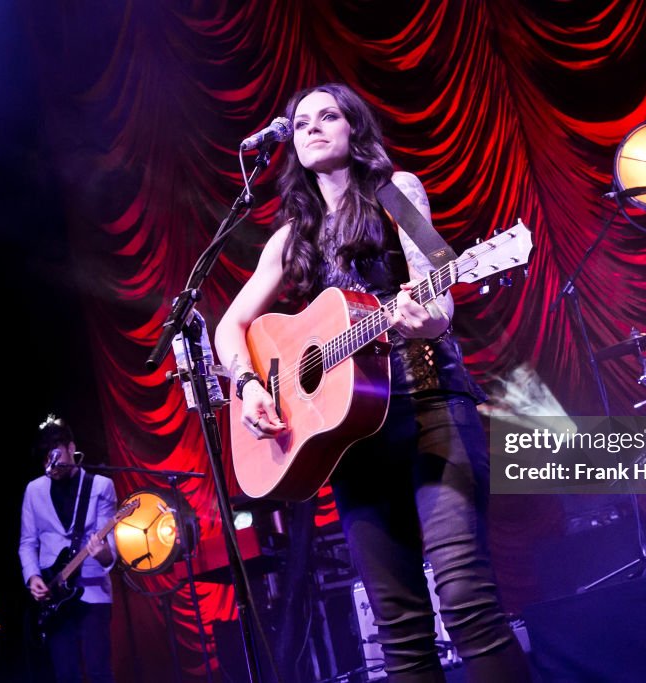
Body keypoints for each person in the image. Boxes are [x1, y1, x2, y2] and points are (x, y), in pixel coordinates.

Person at [215, 83, 531, 682]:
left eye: (326, 116)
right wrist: (249, 383)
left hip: (429, 406)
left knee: (466, 604)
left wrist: (427, 315)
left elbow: (436, 287)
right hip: (352, 440)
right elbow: (233, 324)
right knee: (399, 635)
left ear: (353, 129)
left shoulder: (395, 191)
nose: (310, 127)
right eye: (299, 121)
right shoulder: (289, 238)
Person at [19, 415, 117, 683]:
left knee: (99, 672)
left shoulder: (100, 486)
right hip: (54, 594)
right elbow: (28, 542)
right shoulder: (33, 490)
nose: (50, 465)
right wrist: (33, 577)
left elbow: (111, 550)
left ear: (70, 447)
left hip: (93, 593)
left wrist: (102, 552)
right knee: (66, 674)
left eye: (54, 454)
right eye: (44, 460)